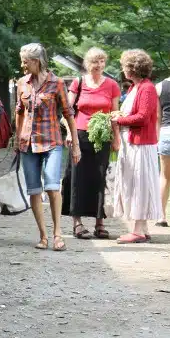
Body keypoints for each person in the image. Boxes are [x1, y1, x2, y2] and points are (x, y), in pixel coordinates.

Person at [16, 43, 80, 251]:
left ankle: (58, 234)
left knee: (52, 187)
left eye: (25, 61)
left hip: (52, 142)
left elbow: (69, 115)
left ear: (37, 61)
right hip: (28, 143)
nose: (22, 65)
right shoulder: (22, 83)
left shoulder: (57, 83)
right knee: (34, 190)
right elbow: (19, 112)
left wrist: (75, 144)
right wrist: (18, 139)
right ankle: (43, 236)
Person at [62, 48, 121, 239]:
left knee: (99, 178)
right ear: (88, 64)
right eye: (95, 62)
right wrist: (70, 133)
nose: (99, 65)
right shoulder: (78, 83)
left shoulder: (112, 85)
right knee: (77, 177)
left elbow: (114, 114)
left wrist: (116, 137)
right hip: (79, 135)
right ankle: (77, 223)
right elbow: (68, 110)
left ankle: (99, 222)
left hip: (102, 137)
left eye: (102, 61)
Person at [112, 49, 162, 243]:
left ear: (133, 68)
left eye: (125, 66)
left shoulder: (147, 88)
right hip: (132, 143)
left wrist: (119, 120)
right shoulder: (134, 88)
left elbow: (142, 117)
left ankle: (138, 230)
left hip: (141, 145)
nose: (123, 69)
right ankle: (143, 228)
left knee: (139, 185)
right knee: (135, 184)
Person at [156, 72, 170, 227]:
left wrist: (157, 138)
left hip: (167, 132)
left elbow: (157, 117)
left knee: (165, 177)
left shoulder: (159, 87)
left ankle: (161, 216)